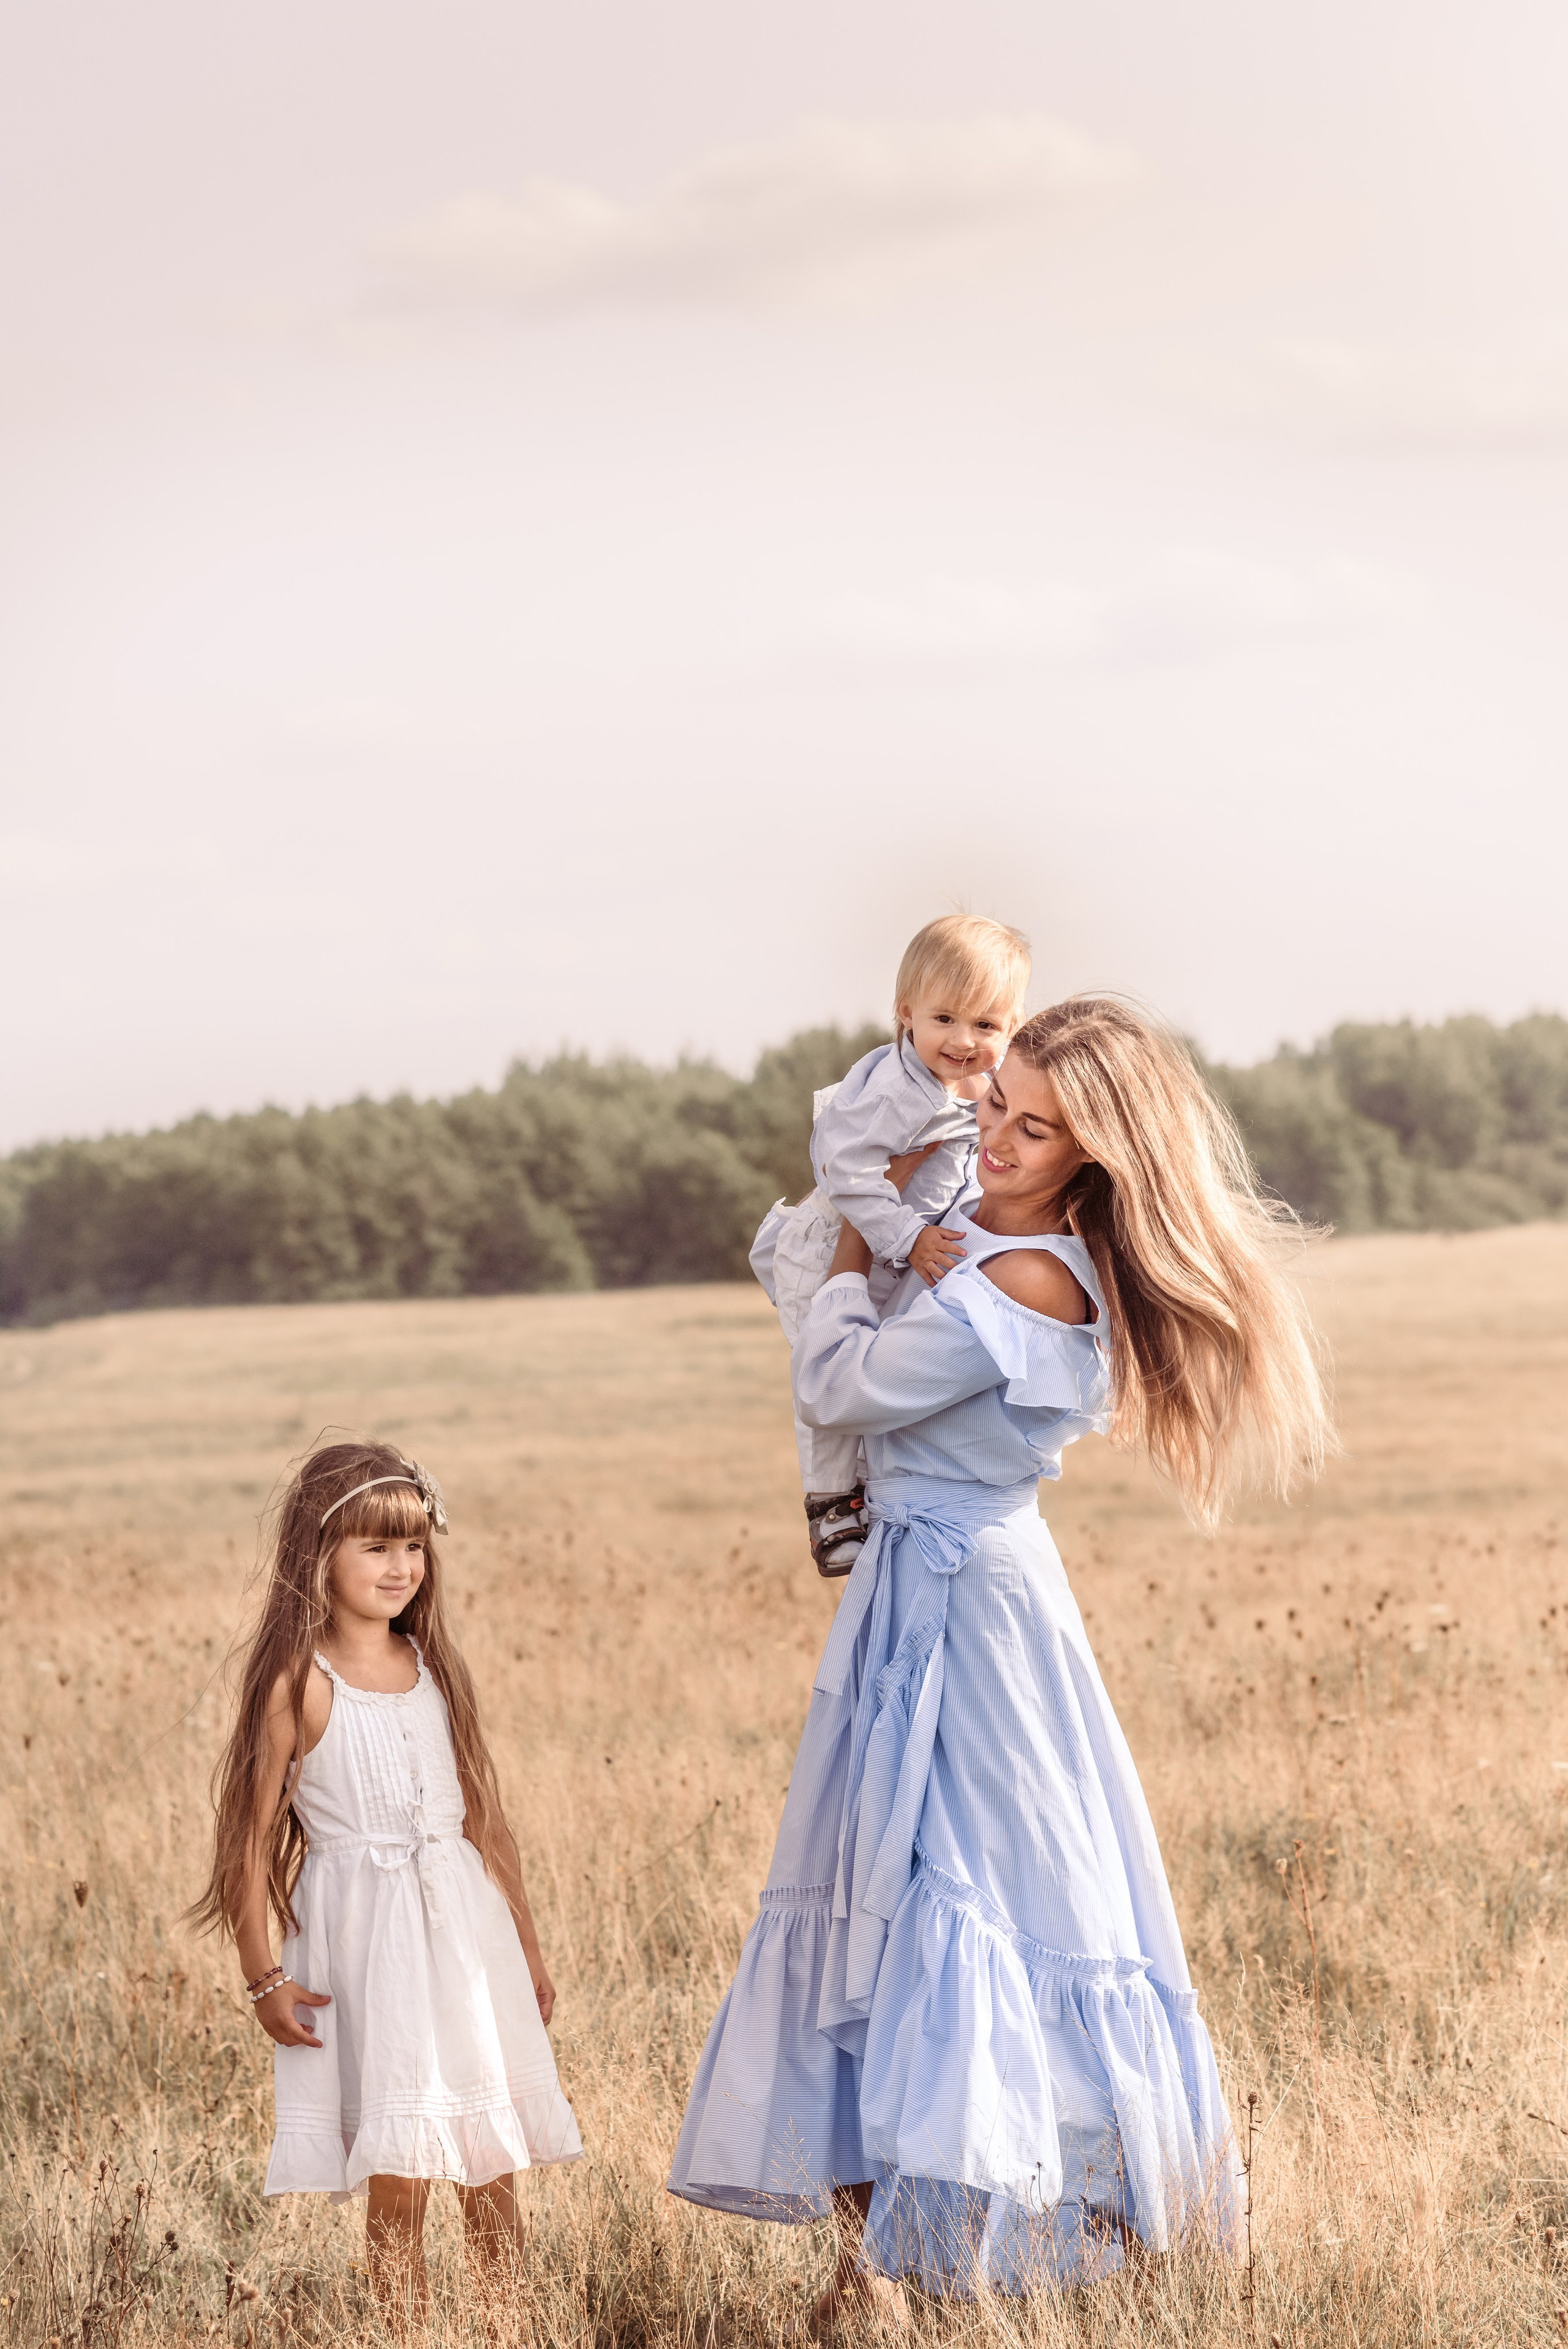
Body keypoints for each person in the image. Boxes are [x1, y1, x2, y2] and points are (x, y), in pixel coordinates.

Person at [669, 997, 1330, 2303]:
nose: (1001, 1139)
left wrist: (858, 1236)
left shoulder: (1034, 1276)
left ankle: (1048, 2247)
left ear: (1098, 1153)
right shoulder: (976, 1223)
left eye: (1038, 1128)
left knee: (980, 1896)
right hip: (910, 1587)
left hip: (973, 1604)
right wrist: (889, 1199)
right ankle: (879, 2269)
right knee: (873, 1893)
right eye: (995, 1105)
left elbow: (839, 1386)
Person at [190, 1441, 579, 2317]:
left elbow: (486, 1821)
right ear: (317, 1553)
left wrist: (527, 1947)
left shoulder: (434, 1665)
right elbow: (247, 1840)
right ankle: (406, 2327)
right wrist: (263, 1976)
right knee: (399, 2163)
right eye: (375, 1546)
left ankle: (503, 2323)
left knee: (491, 2151)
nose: (400, 1566)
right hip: (371, 1946)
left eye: (413, 1545)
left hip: (464, 1934)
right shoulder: (300, 1680)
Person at [751, 913, 1031, 1575]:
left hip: (895, 1250)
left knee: (878, 1369)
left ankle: (876, 1490)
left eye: (985, 1024)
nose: (963, 1040)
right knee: (827, 1372)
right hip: (829, 1246)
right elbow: (842, 1167)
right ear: (906, 1013)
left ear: (1012, 1025)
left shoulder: (981, 1084)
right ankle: (830, 1504)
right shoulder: (897, 1092)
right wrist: (908, 1235)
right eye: (944, 1019)